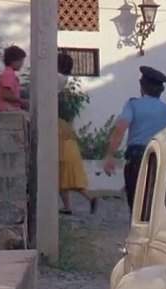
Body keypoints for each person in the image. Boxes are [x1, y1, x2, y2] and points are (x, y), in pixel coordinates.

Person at [103, 66, 166, 214]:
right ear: (161, 90)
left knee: (136, 203)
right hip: (160, 159)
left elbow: (120, 129)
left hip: (137, 159)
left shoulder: (133, 105)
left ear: (142, 87)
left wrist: (110, 155)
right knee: (156, 203)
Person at [56, 53, 98, 215]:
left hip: (63, 146)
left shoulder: (57, 79)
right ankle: (80, 202)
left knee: (62, 180)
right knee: (68, 181)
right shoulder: (64, 82)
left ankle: (68, 206)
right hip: (69, 145)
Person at [0, 46, 29, 112]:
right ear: (13, 61)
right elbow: (6, 94)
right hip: (7, 109)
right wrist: (22, 101)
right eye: (20, 61)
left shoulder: (8, 73)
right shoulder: (8, 74)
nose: (22, 64)